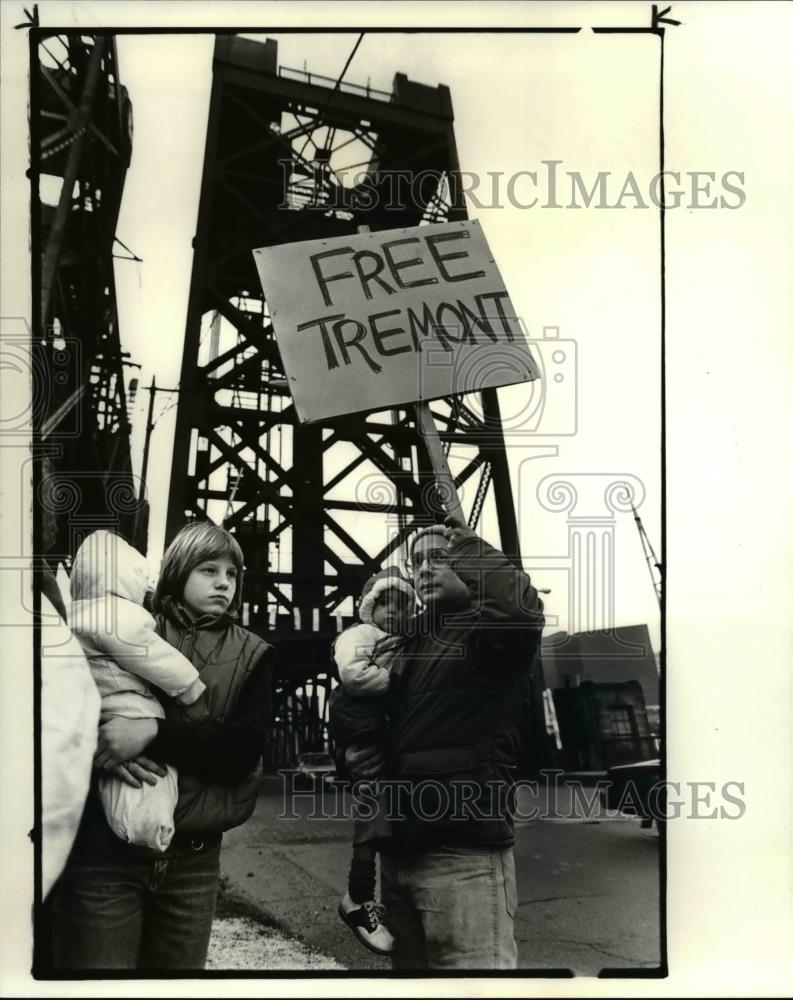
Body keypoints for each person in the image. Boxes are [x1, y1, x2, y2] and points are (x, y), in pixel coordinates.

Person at [49, 522, 275, 971]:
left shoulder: (256, 653)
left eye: (233, 574)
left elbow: (240, 752)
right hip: (105, 855)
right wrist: (100, 743)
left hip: (193, 861)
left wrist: (153, 732)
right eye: (208, 570)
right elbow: (63, 703)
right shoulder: (123, 622)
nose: (223, 583)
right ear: (175, 570)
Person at [343, 514, 544, 970]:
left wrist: (471, 549)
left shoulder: (486, 633)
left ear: (469, 564)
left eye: (439, 557)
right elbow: (376, 727)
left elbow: (519, 611)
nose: (424, 569)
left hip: (464, 858)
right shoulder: (408, 642)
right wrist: (350, 753)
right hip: (400, 858)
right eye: (416, 562)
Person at [68, 530, 208, 852]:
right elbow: (151, 655)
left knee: (115, 775)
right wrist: (189, 686)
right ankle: (151, 826)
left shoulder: (74, 614)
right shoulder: (118, 615)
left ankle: (130, 823)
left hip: (98, 704)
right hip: (128, 703)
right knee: (154, 771)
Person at [330, 567, 416, 955]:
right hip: (364, 733)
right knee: (373, 815)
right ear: (371, 607)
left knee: (387, 818)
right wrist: (402, 682)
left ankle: (369, 898)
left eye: (403, 606)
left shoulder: (404, 640)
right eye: (387, 605)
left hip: (386, 736)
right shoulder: (358, 636)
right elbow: (353, 676)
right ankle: (358, 897)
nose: (395, 613)